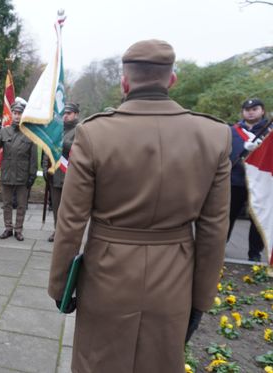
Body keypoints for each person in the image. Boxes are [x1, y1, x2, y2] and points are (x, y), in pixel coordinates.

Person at [47, 40, 231, 373]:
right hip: (174, 278)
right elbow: (215, 229)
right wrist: (201, 300)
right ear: (171, 79)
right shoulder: (214, 135)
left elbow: (71, 221)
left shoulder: (93, 133)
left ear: (125, 81)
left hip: (107, 276)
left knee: (98, 364)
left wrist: (60, 287)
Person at [227, 98, 271, 262]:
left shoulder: (270, 132)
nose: (250, 111)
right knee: (228, 216)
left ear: (262, 111)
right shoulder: (231, 130)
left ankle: (254, 253)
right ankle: (220, 247)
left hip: (261, 183)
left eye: (255, 108)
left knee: (258, 218)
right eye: (247, 109)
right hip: (236, 180)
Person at [0, 101, 37, 241]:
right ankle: (8, 228)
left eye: (19, 113)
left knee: (22, 205)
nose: (17, 116)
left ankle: (18, 230)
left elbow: (33, 157)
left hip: (23, 175)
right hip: (7, 173)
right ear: (12, 114)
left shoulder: (30, 133)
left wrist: (32, 175)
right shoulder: (4, 131)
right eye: (15, 113)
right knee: (7, 204)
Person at [43, 102, 80, 242]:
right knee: (57, 206)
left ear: (76, 114)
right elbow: (48, 150)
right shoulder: (57, 129)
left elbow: (77, 147)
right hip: (55, 174)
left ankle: (68, 233)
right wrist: (46, 167)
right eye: (64, 113)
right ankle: (57, 230)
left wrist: (61, 142)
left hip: (71, 176)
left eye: (68, 113)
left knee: (69, 209)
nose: (65, 116)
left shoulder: (80, 130)